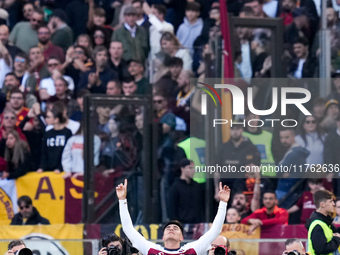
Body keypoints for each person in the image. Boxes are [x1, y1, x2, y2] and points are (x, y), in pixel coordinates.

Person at [116, 179, 230, 255]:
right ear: (163, 237)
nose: (171, 229)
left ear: (181, 238)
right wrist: (122, 200)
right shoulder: (152, 250)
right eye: (168, 228)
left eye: (176, 228)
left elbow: (215, 230)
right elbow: (128, 229)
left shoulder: (190, 250)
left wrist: (223, 203)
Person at [167, 159, 204, 223]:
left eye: (193, 168)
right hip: (182, 223)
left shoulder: (196, 186)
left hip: (196, 224)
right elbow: (171, 208)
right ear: (182, 169)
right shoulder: (175, 187)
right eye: (190, 168)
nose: (193, 170)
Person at [306, 190, 340, 255]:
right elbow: (321, 249)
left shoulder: (324, 221)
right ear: (322, 204)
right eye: (330, 201)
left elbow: (336, 232)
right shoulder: (317, 225)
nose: (333, 204)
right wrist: (337, 239)